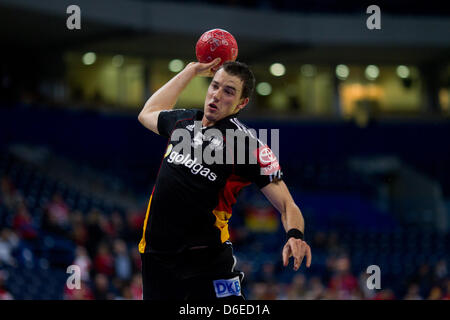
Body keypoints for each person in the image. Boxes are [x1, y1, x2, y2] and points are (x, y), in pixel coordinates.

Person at [137, 58, 312, 300]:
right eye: (214, 86)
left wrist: (295, 235)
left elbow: (287, 204)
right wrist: (189, 72)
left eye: (228, 91)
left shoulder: (246, 144)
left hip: (205, 261)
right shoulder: (183, 121)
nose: (217, 95)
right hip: (156, 256)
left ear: (242, 103)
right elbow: (147, 113)